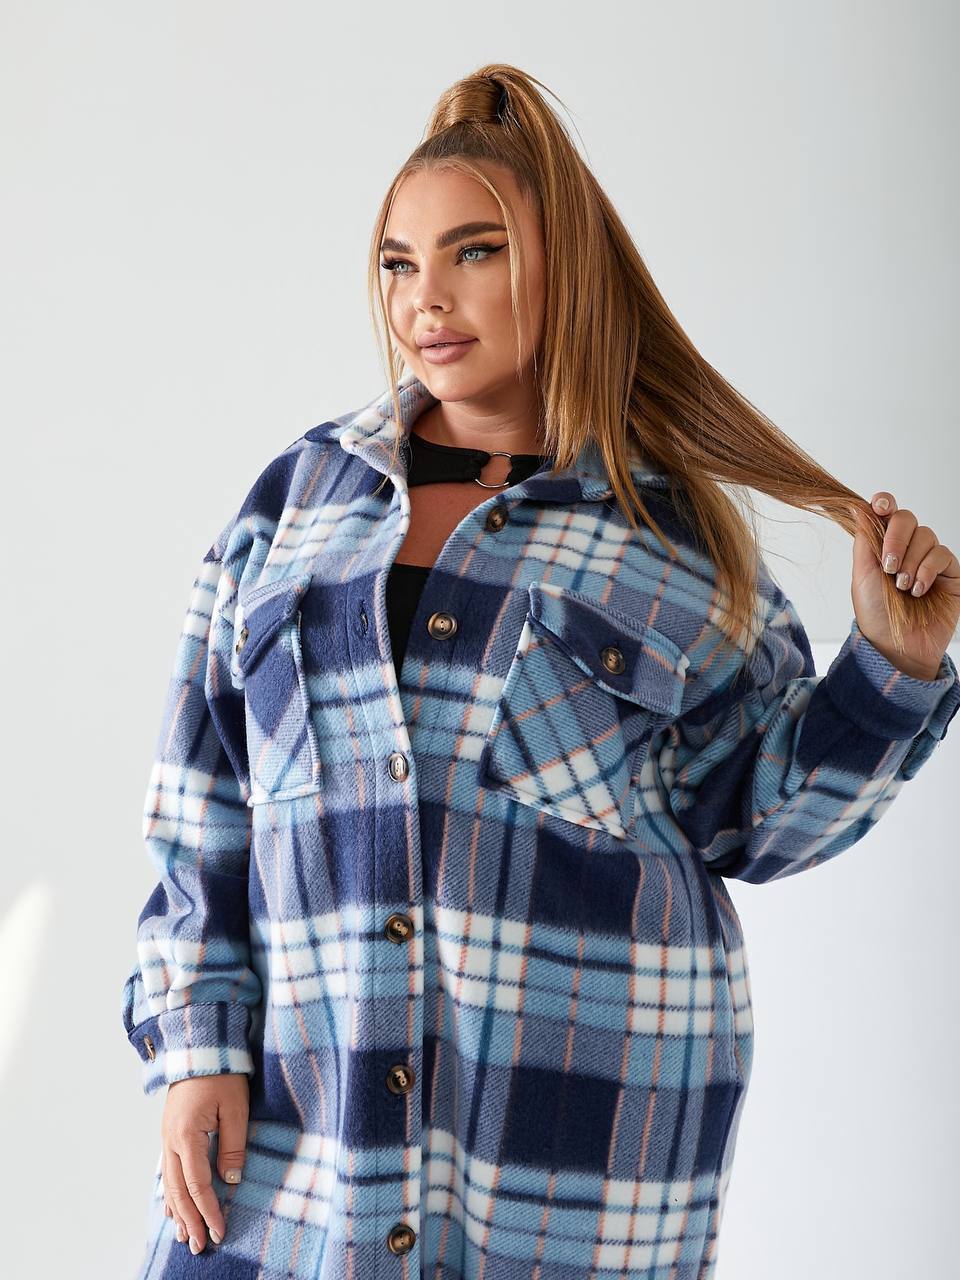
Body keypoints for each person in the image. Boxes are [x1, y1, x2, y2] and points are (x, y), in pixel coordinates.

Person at [121, 63, 960, 1280]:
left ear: (563, 267)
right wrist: (197, 1040)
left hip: (568, 1165)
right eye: (399, 263)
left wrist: (892, 662)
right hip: (305, 1137)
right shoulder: (295, 504)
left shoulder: (672, 537)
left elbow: (761, 818)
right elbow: (201, 798)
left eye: (476, 252)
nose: (426, 297)